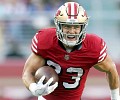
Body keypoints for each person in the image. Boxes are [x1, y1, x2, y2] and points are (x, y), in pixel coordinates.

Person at [22, 2, 120, 100]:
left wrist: (115, 97)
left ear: (83, 27)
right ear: (59, 26)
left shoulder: (93, 46)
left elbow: (111, 69)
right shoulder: (46, 41)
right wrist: (34, 88)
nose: (72, 31)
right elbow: (28, 72)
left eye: (76, 27)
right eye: (67, 26)